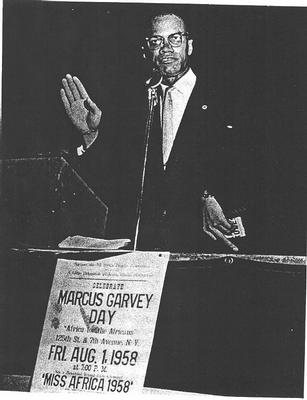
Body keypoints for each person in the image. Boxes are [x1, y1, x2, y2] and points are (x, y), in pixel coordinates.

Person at [60, 12, 244, 252]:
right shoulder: (135, 103)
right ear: (148, 51)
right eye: (157, 41)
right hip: (148, 251)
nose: (166, 48)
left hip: (207, 246)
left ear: (189, 45)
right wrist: (90, 134)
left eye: (175, 39)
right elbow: (114, 184)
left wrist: (211, 196)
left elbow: (249, 169)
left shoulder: (224, 99)